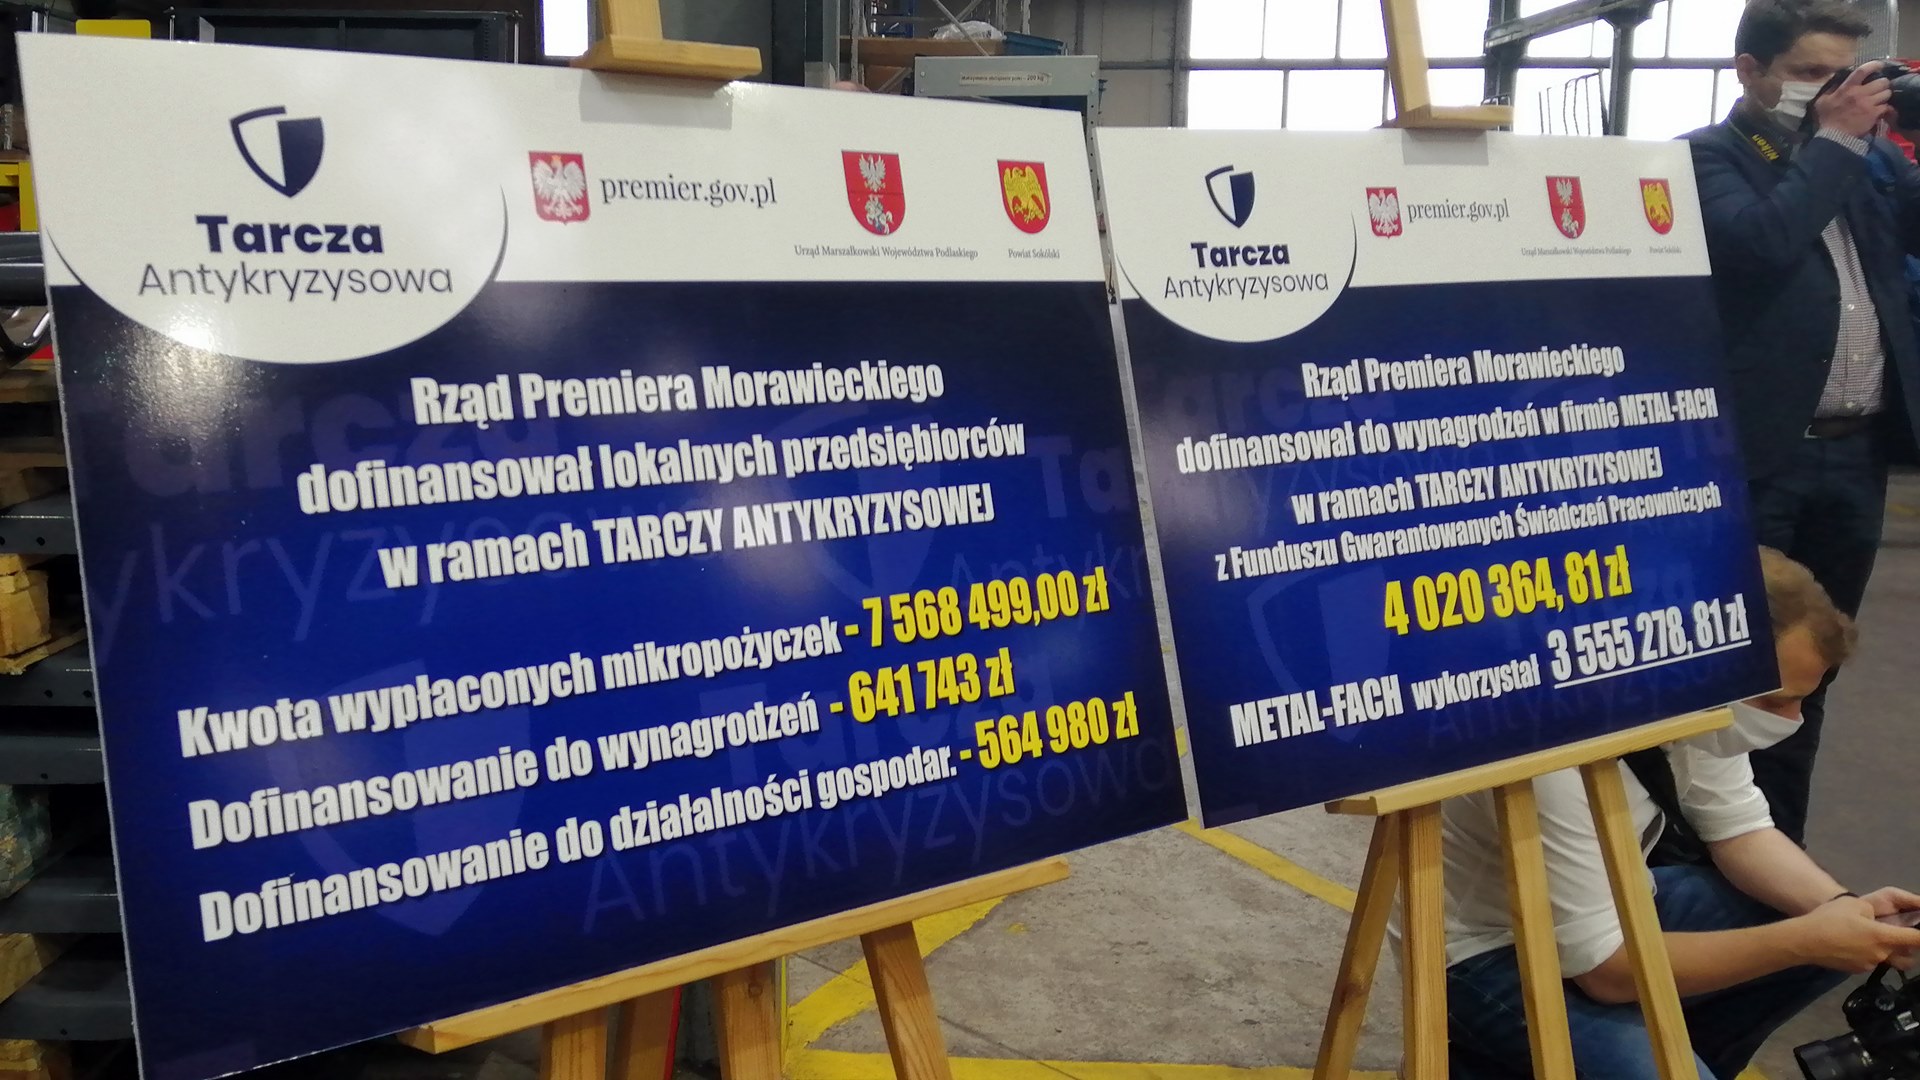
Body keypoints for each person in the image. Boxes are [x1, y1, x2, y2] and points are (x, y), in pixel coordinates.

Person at [1442, 549, 1920, 1080]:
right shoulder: (1552, 751)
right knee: (1805, 943)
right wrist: (1805, 938)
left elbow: (1741, 830)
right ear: (1702, 663)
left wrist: (1846, 909)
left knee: (1831, 936)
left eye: (1802, 700)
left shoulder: (1688, 695)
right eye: (1776, 701)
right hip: (1488, 956)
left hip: (1610, 910)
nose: (1793, 720)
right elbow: (1607, 972)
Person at [1685, 0, 1920, 844]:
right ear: (1750, 71)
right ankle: (1704, 859)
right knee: (1737, 670)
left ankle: (1782, 859)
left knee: (1808, 673)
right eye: (1812, 74)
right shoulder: (1705, 158)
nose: (1834, 93)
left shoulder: (1870, 162)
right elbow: (1761, 243)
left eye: (1847, 76)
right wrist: (1837, 140)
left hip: (1856, 462)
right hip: (1763, 459)